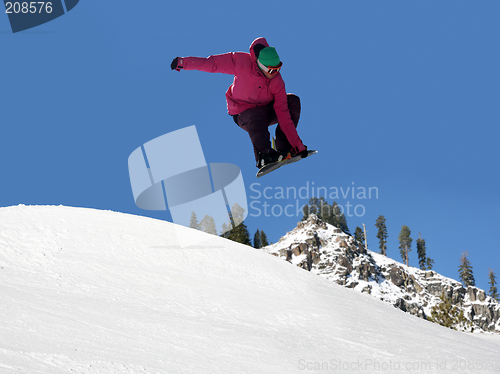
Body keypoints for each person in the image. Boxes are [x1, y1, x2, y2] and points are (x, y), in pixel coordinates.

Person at [171, 37, 309, 169]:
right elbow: (212, 64)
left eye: (278, 68)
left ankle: (284, 147)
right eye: (272, 70)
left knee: (293, 101)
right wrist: (184, 62)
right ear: (261, 65)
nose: (275, 73)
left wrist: (297, 144)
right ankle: (264, 155)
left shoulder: (277, 81)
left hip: (265, 109)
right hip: (243, 112)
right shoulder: (241, 62)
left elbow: (283, 114)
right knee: (255, 115)